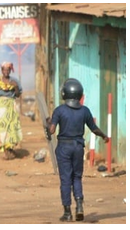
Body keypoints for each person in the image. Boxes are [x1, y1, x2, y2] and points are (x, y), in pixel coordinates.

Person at [47, 78, 109, 222]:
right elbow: (94, 129)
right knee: (77, 177)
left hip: (64, 147)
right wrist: (104, 136)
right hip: (78, 148)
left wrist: (49, 123)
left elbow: (51, 130)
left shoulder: (59, 110)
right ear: (79, 94)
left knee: (65, 179)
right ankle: (79, 206)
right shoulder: (85, 111)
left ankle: (67, 212)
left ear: (64, 93)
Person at [0, 61, 23, 160]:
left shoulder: (15, 81)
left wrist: (15, 87)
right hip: (0, 109)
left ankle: (10, 150)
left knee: (12, 129)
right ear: (2, 70)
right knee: (2, 130)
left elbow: (18, 95)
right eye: (4, 70)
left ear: (11, 71)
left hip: (11, 107)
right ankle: (7, 151)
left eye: (8, 70)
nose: (6, 72)